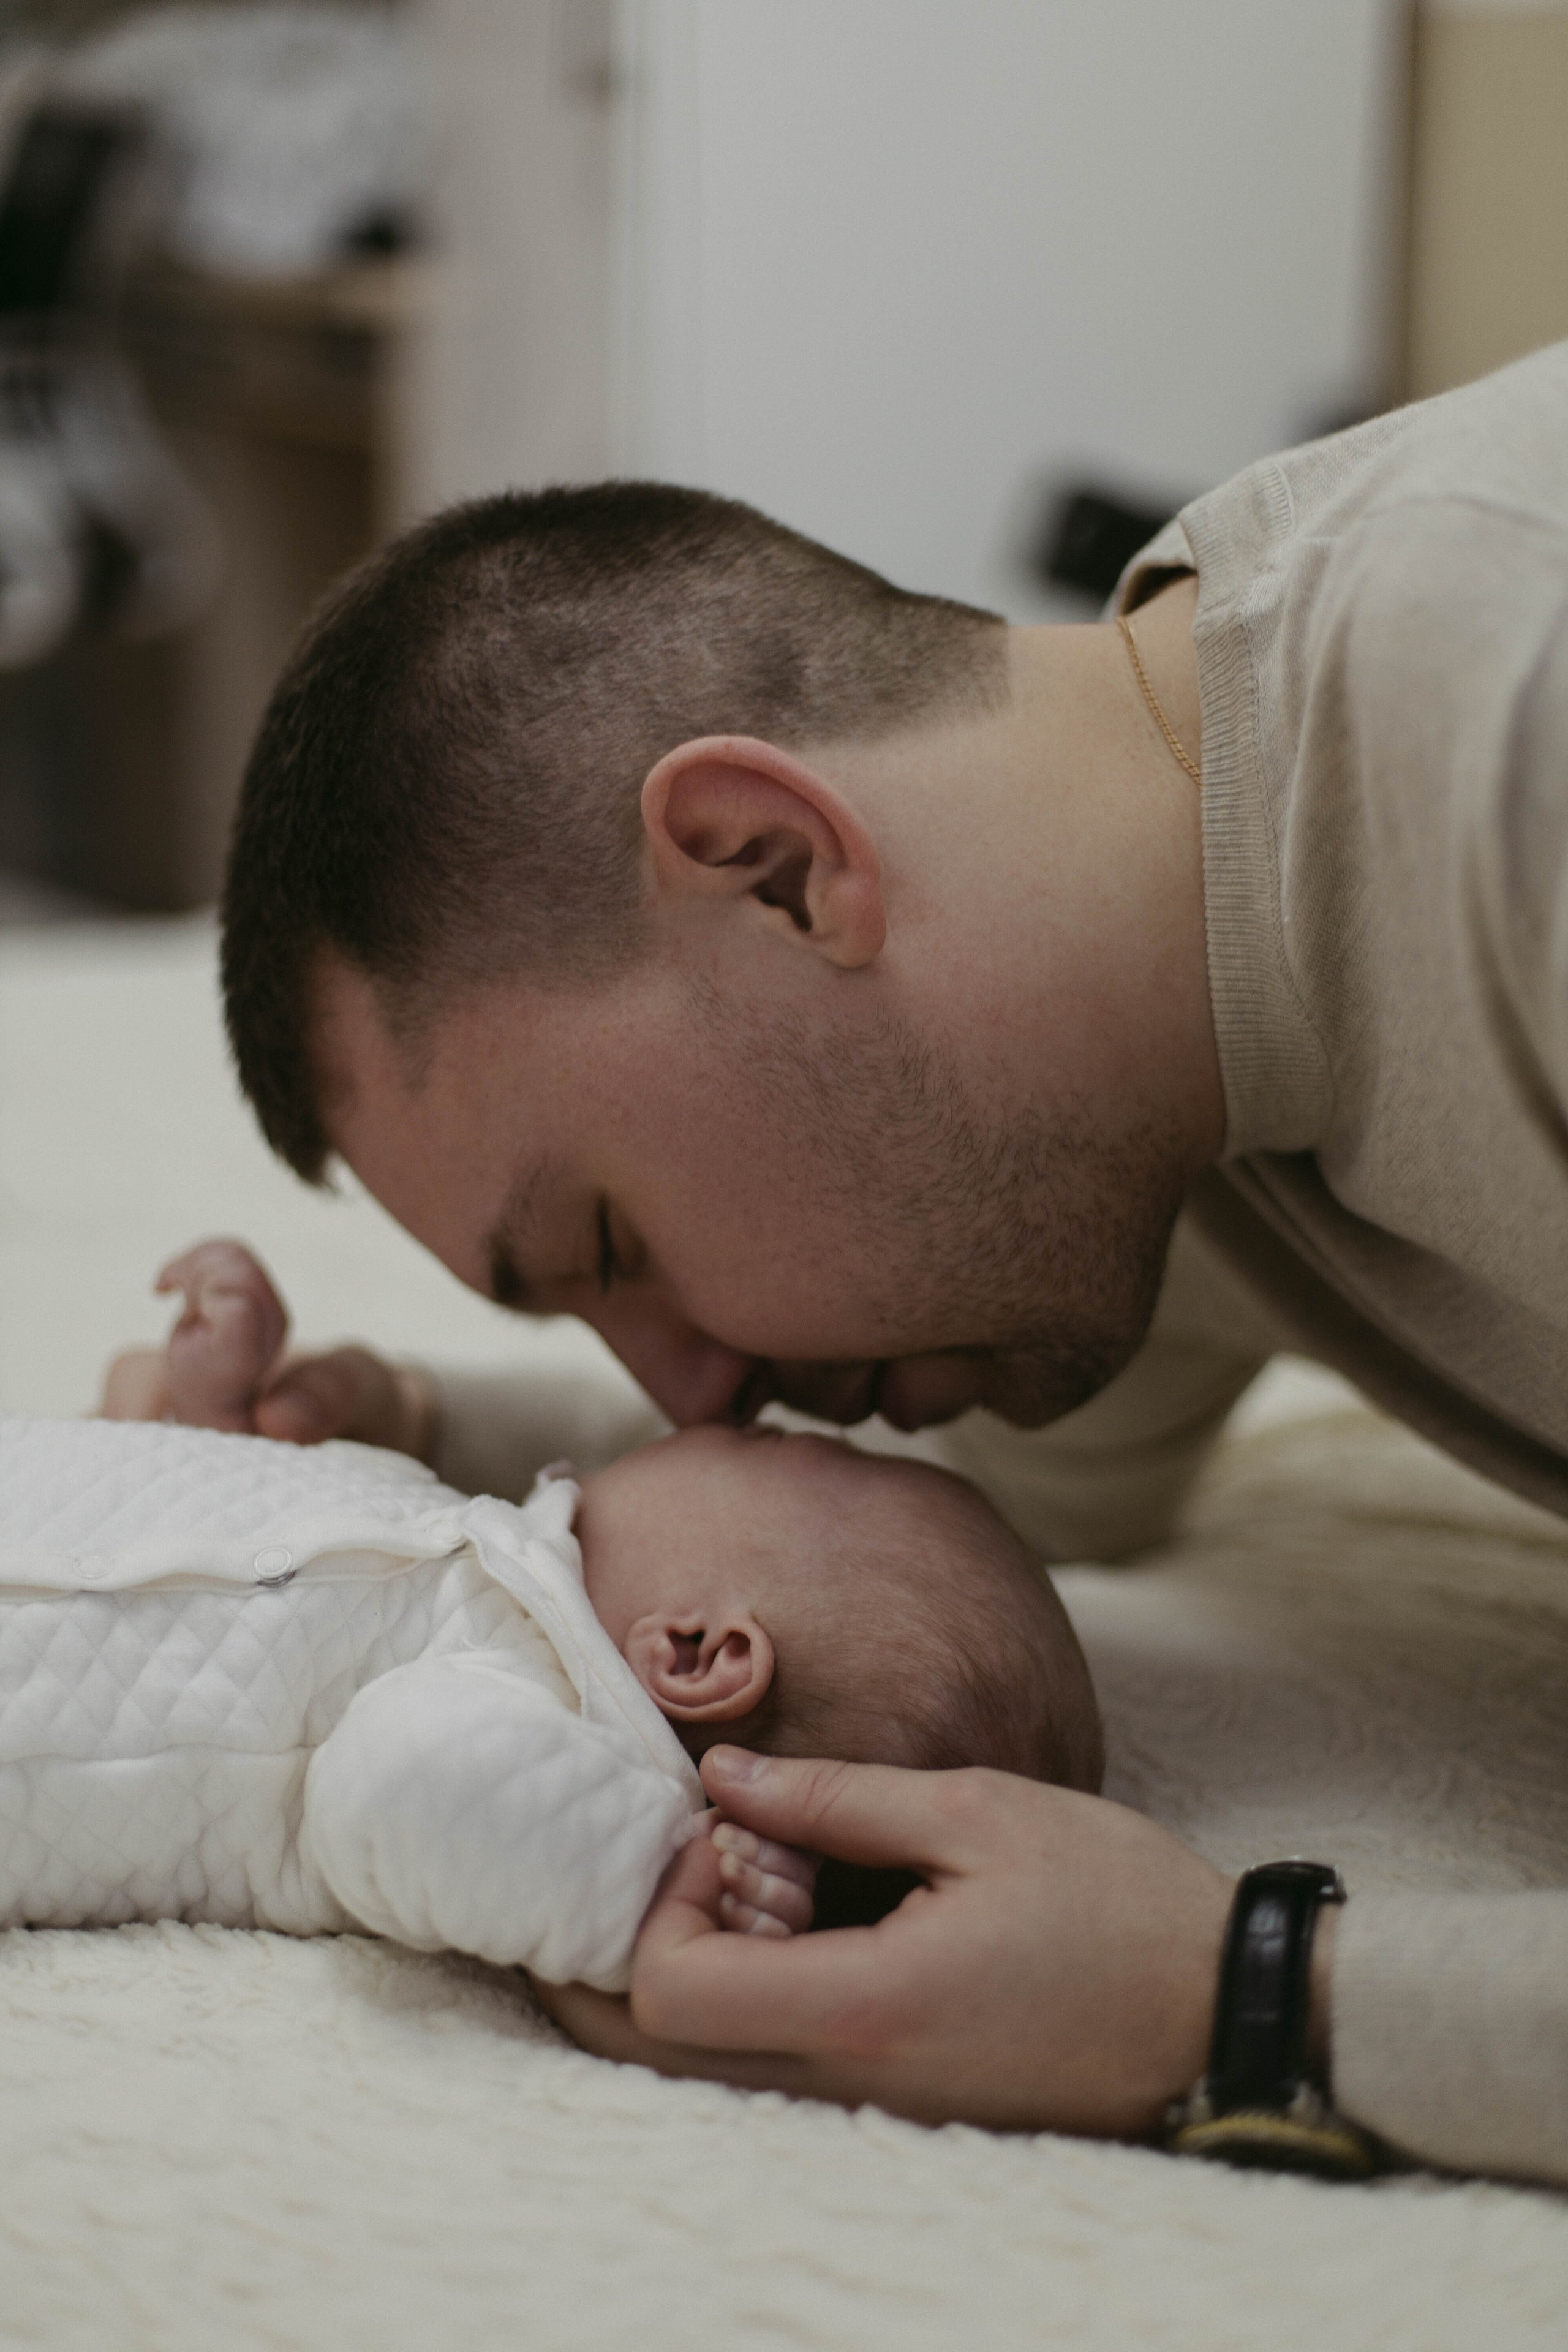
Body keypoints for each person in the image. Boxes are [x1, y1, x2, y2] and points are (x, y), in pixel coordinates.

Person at [105, 340, 1568, 2184]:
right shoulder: (1115, 1072)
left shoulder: (1521, 713)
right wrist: (400, 1449)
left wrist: (1251, 1996)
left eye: (615, 1242)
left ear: (778, 867)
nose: (696, 1383)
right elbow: (987, 1523)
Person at [39, 1238, 1098, 1973]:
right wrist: (212, 1412)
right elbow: (228, 1566)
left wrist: (658, 1880)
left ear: (697, 1651)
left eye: (782, 1449)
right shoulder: (486, 1550)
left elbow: (400, 1784)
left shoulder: (522, 1706)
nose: (725, 1420)